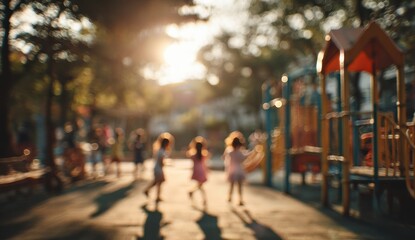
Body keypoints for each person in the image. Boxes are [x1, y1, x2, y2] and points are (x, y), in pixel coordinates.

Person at [143, 133, 173, 202]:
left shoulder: (160, 150)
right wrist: (167, 164)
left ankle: (151, 193)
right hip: (158, 169)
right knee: (158, 182)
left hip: (157, 168)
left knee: (157, 182)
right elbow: (161, 161)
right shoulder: (162, 151)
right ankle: (155, 195)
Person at [223, 134, 250, 206]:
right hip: (239, 170)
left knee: (231, 185)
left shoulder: (229, 151)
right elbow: (243, 159)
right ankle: (240, 200)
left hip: (231, 170)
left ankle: (229, 198)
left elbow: (224, 157)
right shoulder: (240, 152)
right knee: (239, 186)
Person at [187, 136, 210, 206]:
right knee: (200, 186)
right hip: (202, 171)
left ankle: (192, 192)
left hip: (196, 171)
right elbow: (205, 164)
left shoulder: (193, 154)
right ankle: (204, 199)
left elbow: (188, 154)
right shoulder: (204, 154)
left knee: (200, 186)